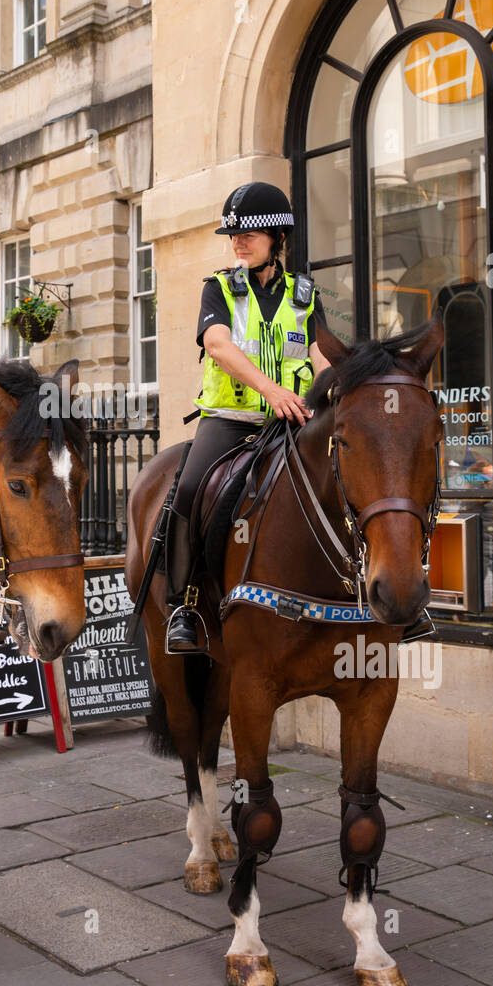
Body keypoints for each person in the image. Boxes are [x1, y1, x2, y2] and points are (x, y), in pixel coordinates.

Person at [165, 181, 331, 653]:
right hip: (231, 420)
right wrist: (270, 390)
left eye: (248, 234)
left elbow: (320, 355)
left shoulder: (305, 294)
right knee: (191, 489)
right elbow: (217, 344)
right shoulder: (218, 288)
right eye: (233, 235)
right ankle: (185, 603)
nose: (237, 241)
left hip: (294, 419)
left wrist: (339, 390)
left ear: (278, 238)